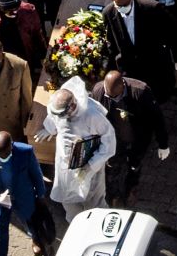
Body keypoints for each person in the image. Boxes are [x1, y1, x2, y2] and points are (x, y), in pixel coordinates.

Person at [34, 76, 116, 222]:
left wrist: (90, 166)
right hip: (65, 165)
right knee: (68, 199)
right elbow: (54, 118)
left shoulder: (91, 115)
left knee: (94, 202)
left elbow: (109, 141)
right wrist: (49, 128)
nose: (60, 118)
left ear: (72, 106)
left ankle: (100, 224)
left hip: (90, 165)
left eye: (62, 115)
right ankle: (76, 223)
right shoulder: (59, 109)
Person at [92, 71, 170, 207]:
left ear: (123, 86)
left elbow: (157, 118)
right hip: (114, 139)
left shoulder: (141, 92)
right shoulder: (98, 91)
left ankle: (131, 187)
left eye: (116, 97)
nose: (113, 99)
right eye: (109, 97)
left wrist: (163, 143)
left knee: (134, 164)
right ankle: (114, 195)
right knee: (112, 166)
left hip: (138, 138)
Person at [102, 0, 177, 103]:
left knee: (156, 96)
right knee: (133, 99)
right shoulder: (108, 13)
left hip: (152, 62)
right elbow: (110, 42)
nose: (121, 9)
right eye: (118, 6)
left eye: (124, 5)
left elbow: (172, 31)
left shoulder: (152, 8)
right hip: (128, 66)